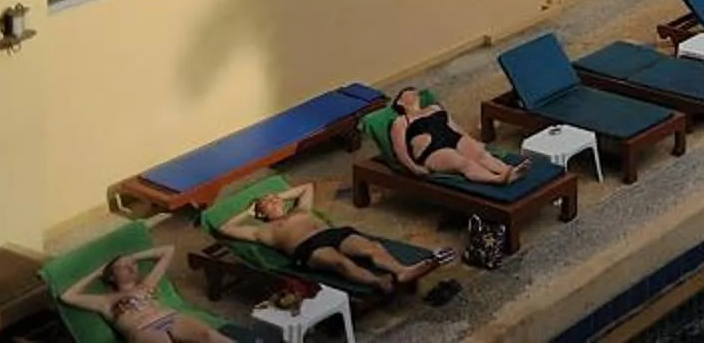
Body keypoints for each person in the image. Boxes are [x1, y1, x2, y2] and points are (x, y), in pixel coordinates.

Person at [216, 181, 446, 293]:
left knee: (372, 248)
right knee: (340, 263)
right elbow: (225, 228)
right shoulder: (261, 231)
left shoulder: (300, 210)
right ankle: (378, 283)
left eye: (274, 198)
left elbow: (307, 188)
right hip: (306, 248)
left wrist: (278, 194)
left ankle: (402, 271)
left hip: (331, 233)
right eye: (266, 203)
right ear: (260, 213)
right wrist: (249, 211)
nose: (273, 201)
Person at [57, 249, 228, 343]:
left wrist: (132, 256)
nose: (131, 267)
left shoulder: (147, 284)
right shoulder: (105, 301)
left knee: (210, 336)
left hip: (170, 318)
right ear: (110, 275)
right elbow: (67, 296)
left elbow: (168, 250)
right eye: (123, 267)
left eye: (133, 264)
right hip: (143, 329)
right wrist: (98, 272)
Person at [385, 86, 528, 188]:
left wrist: (471, 140)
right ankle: (497, 179)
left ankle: (508, 170)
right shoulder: (401, 121)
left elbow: (455, 127)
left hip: (452, 138)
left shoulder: (434, 108)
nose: (414, 92)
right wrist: (414, 168)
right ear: (400, 102)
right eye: (408, 93)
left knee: (480, 153)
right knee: (463, 162)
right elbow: (400, 150)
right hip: (431, 150)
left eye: (415, 92)